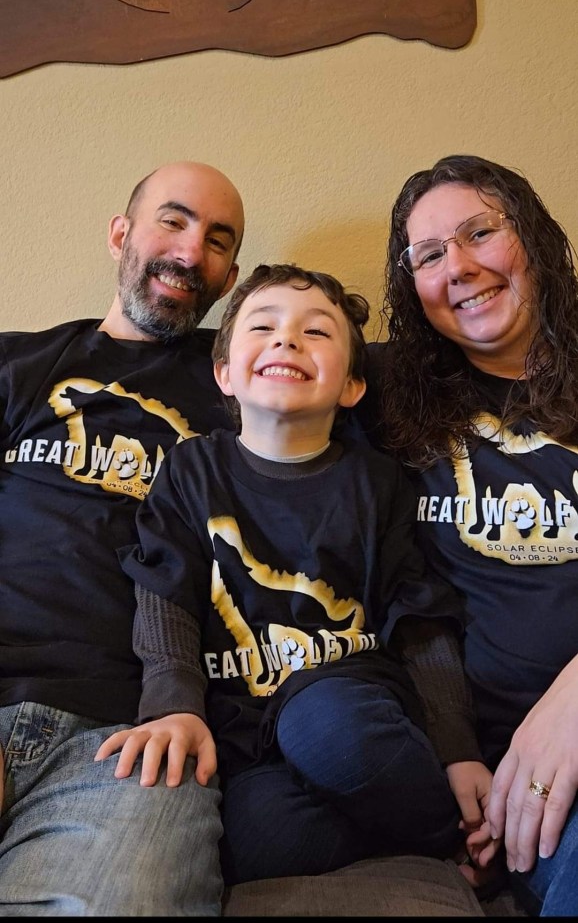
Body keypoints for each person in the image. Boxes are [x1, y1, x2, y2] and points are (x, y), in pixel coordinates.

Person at [96, 262, 495, 886]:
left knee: (325, 729)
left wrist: (458, 749)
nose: (287, 339)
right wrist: (172, 707)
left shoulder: (376, 482)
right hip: (248, 734)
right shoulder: (191, 471)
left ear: (352, 386)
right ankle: (395, 830)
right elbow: (164, 593)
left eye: (316, 332)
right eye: (264, 327)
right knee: (252, 841)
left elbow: (419, 617)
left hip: (347, 700)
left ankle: (452, 834)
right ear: (225, 373)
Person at [0, 160, 245, 916]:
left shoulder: (247, 387)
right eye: (173, 221)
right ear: (120, 234)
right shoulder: (17, 364)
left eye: (217, 240)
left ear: (230, 278)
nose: (190, 251)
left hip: (132, 737)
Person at [358, 153, 578, 916]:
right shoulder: (386, 399)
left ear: (534, 238)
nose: (458, 267)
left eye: (480, 232)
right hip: (522, 780)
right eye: (428, 255)